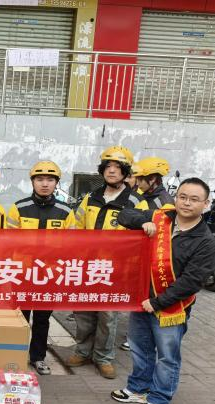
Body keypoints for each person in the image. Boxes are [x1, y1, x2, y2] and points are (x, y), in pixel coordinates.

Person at [111, 178, 215, 404]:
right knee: (140, 348)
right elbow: (124, 215)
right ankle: (138, 388)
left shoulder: (206, 241)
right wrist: (143, 222)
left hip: (171, 309)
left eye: (194, 199)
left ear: (206, 204)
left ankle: (159, 398)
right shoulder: (161, 217)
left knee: (167, 356)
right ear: (175, 198)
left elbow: (192, 282)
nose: (186, 203)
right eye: (182, 197)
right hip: (142, 300)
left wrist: (157, 303)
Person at [66, 146, 147, 379]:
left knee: (108, 316)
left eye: (117, 167)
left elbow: (141, 238)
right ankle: (82, 351)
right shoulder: (91, 197)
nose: (112, 171)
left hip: (115, 270)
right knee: (83, 312)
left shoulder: (136, 202)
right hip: (87, 267)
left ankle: (103, 357)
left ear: (126, 172)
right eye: (108, 167)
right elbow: (76, 226)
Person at [7, 161, 72, 375]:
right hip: (23, 274)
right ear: (32, 182)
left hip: (49, 275)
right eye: (40, 179)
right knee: (20, 317)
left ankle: (38, 357)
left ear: (56, 183)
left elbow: (71, 245)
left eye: (50, 180)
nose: (45, 184)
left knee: (43, 319)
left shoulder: (65, 211)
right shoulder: (19, 208)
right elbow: (8, 243)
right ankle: (16, 355)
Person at [120, 157, 175, 351]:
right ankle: (138, 333)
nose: (137, 182)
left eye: (140, 178)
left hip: (157, 257)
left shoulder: (164, 202)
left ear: (152, 179)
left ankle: (147, 336)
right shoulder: (144, 197)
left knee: (151, 294)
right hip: (143, 255)